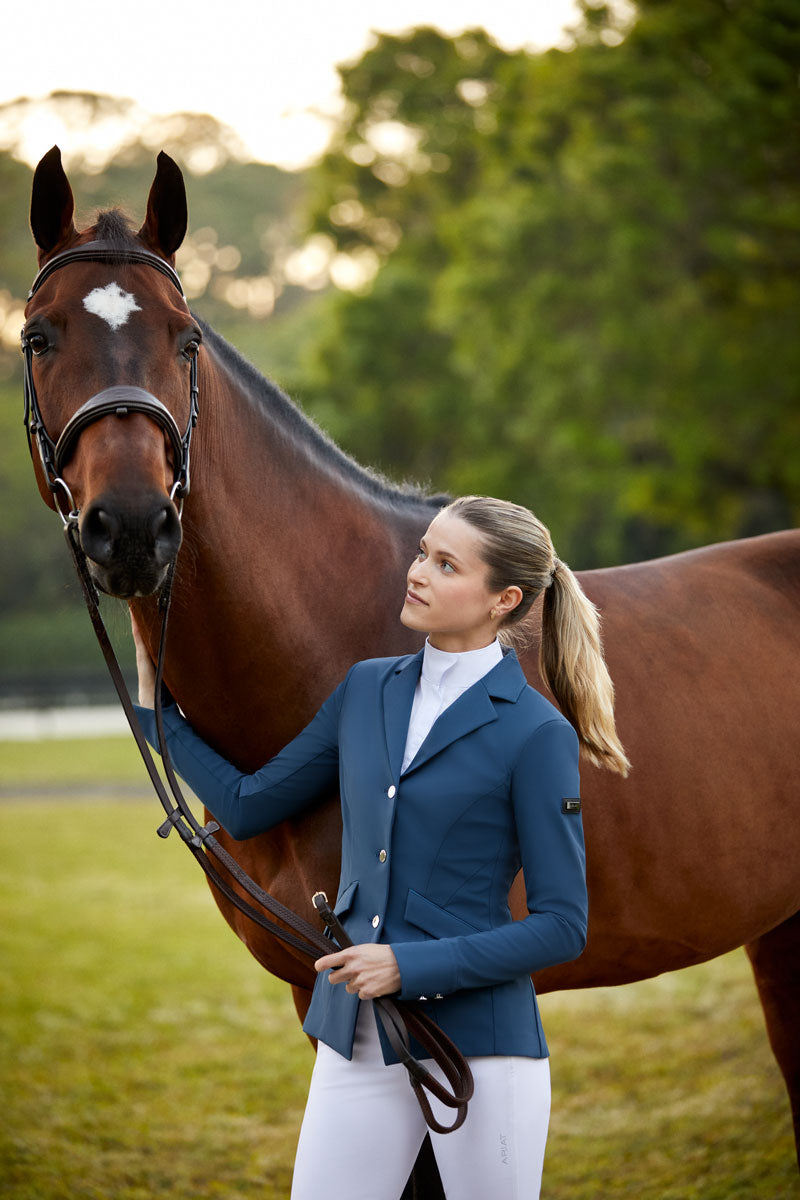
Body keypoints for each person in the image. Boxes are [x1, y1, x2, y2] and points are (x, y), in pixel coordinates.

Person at [131, 495, 629, 1200]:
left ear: (503, 599)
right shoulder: (366, 690)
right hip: (355, 1041)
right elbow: (247, 806)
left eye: (446, 564)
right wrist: (158, 717)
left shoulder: (537, 734)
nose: (418, 572)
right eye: (423, 552)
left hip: (481, 1052)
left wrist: (405, 963)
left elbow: (562, 924)